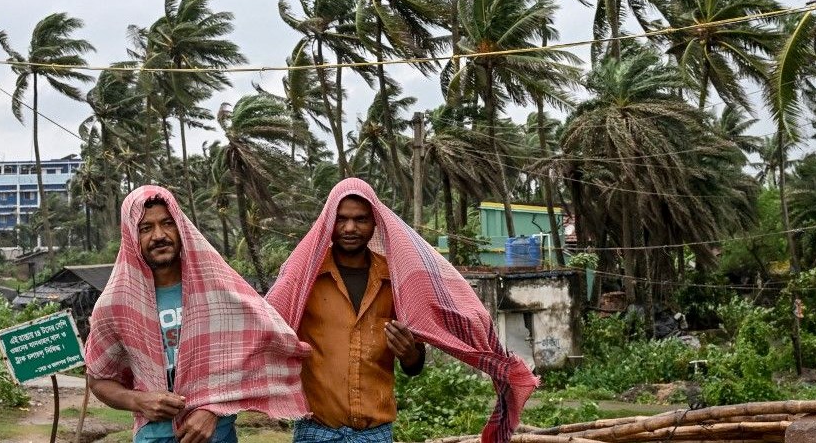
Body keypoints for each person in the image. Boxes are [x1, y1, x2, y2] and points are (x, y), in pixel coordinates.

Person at [268, 178, 539, 443]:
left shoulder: (396, 280)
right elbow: (269, 328)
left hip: (375, 434)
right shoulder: (304, 280)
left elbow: (414, 363)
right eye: (341, 219)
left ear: (375, 222)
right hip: (316, 431)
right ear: (329, 222)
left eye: (361, 219)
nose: (350, 227)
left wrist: (410, 354)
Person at [84, 185, 310, 443]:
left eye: (167, 223)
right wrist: (139, 400)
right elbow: (100, 380)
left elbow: (253, 353)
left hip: (216, 434)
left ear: (181, 226)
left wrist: (214, 409)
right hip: (154, 437)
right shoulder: (116, 304)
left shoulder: (218, 289)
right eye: (145, 228)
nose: (159, 235)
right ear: (131, 236)